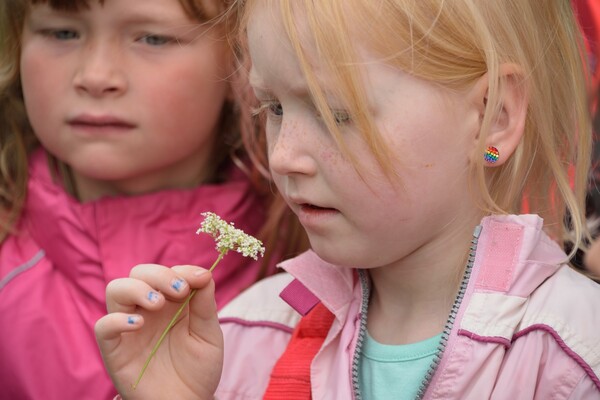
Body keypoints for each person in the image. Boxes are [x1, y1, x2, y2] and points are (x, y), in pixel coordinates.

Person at [95, 0, 600, 398]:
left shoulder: (571, 355)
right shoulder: (245, 338)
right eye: (273, 108)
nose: (284, 157)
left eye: (337, 114)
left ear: (492, 117)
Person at [0, 0, 306, 399]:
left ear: (243, 63)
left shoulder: (312, 258)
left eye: (153, 39)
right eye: (63, 33)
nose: (95, 76)